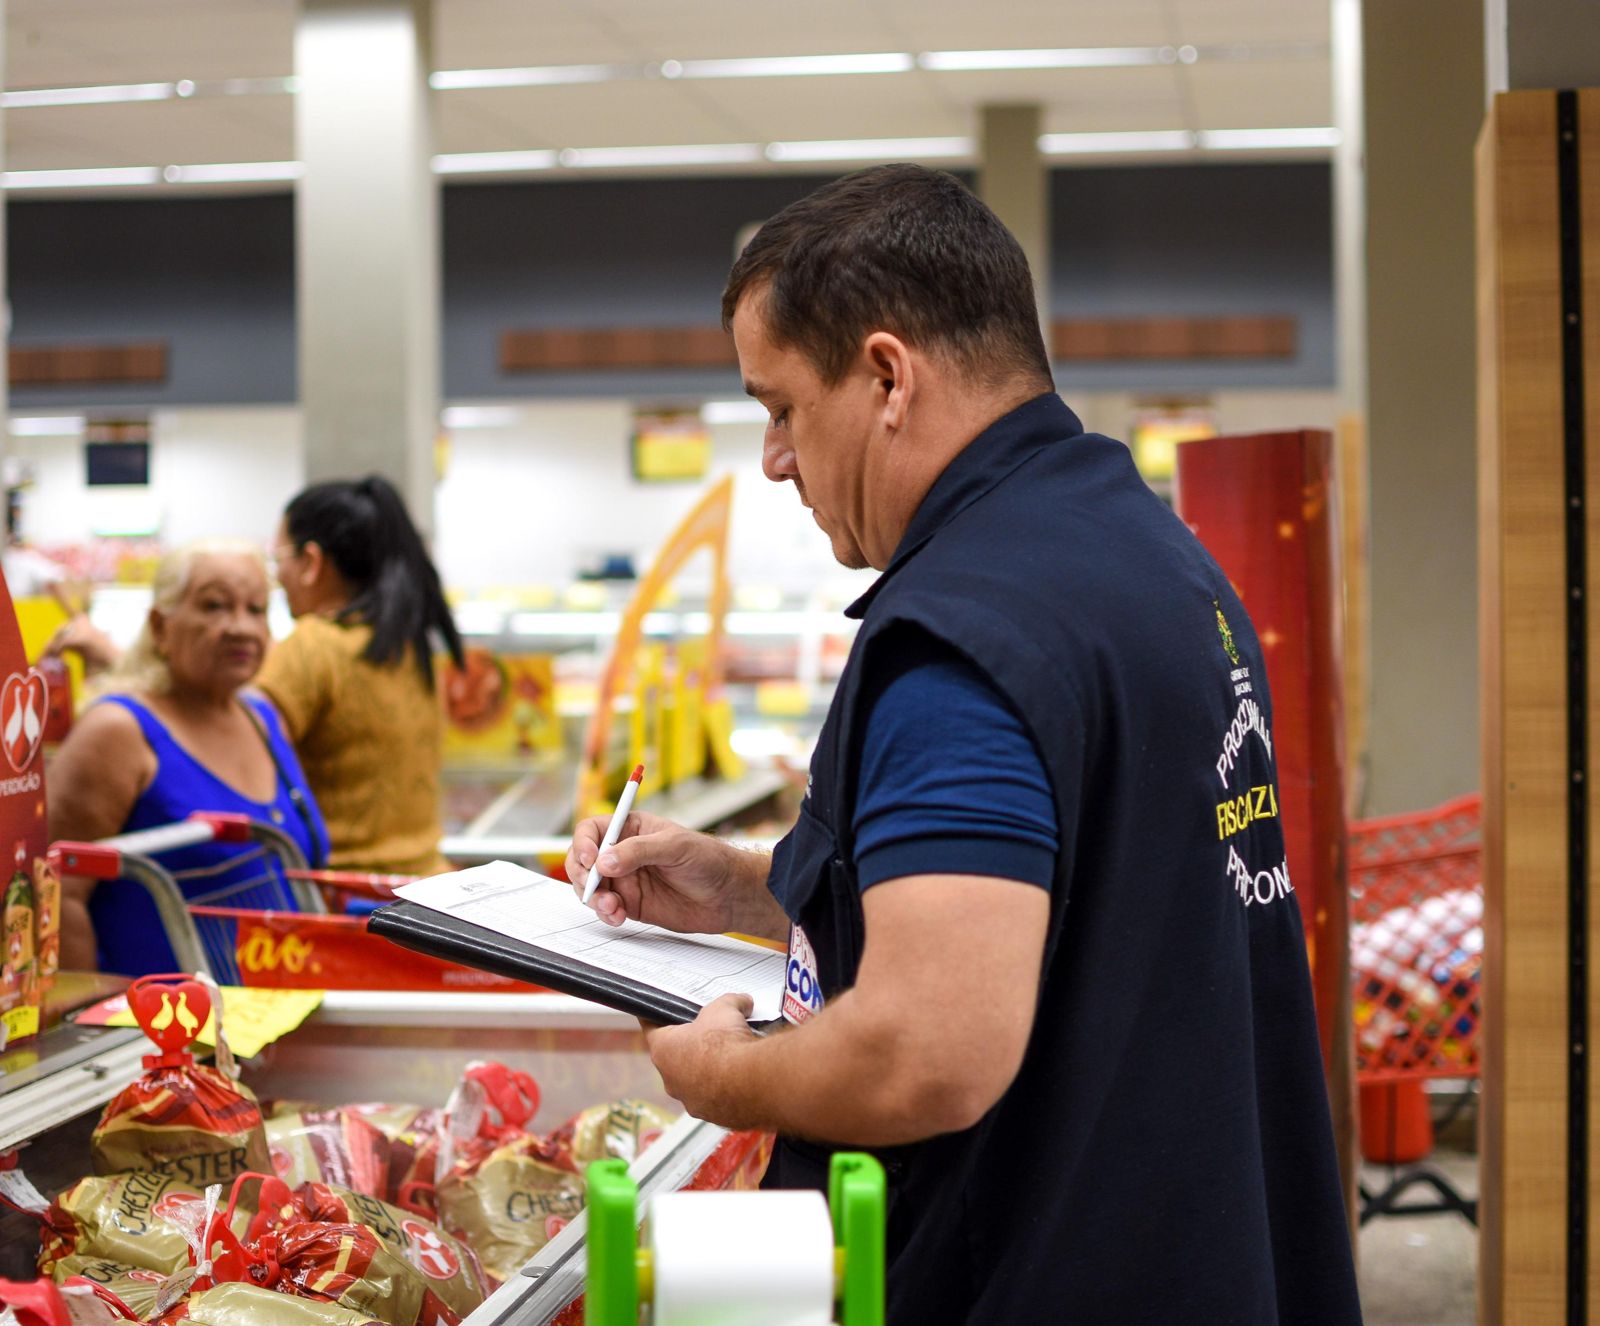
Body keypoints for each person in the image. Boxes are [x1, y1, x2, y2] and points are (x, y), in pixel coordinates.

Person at [566, 165, 1362, 1323]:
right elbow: (1074, 906)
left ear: (887, 376)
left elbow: (924, 1051)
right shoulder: (1149, 558)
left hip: (1036, 1268)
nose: (775, 459)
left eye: (780, 407)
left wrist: (725, 1075)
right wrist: (746, 887)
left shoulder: (965, 632)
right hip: (1190, 1248)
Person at [49, 540, 326, 976]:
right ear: (161, 626)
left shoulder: (263, 719)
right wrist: (89, 1020)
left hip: (279, 1016)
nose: (241, 628)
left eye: (256, 609)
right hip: (166, 1028)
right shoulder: (118, 732)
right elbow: (58, 894)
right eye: (215, 606)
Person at [255, 475, 464, 877]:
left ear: (312, 563)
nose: (277, 578)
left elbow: (244, 755)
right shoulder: (408, 644)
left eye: (278, 559)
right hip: (423, 887)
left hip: (345, 901)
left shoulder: (312, 646)